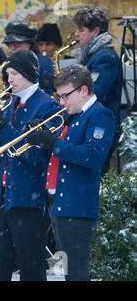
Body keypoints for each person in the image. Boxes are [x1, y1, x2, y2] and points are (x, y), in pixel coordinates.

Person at [25, 64, 115, 280]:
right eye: (60, 97)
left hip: (78, 207)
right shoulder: (73, 116)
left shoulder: (99, 115)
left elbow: (92, 157)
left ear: (83, 90)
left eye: (65, 96)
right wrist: (42, 138)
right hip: (59, 205)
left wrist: (53, 142)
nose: (62, 102)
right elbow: (61, 152)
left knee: (76, 272)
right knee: (66, 272)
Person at [0, 50, 60, 281]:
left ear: (28, 74)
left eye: (14, 73)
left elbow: (35, 156)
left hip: (28, 197)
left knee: (30, 264)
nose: (9, 80)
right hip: (2, 195)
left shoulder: (46, 106)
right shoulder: (9, 103)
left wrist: (3, 126)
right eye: (7, 74)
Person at [73, 6, 121, 175]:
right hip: (91, 123)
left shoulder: (105, 57)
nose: (76, 34)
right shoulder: (93, 55)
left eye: (81, 30)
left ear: (96, 31)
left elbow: (95, 93)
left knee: (93, 176)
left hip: (100, 125)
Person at [1, 20, 54, 95]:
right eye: (9, 44)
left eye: (16, 43)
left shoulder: (45, 63)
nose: (12, 48)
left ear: (30, 43)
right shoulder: (9, 63)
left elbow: (48, 93)